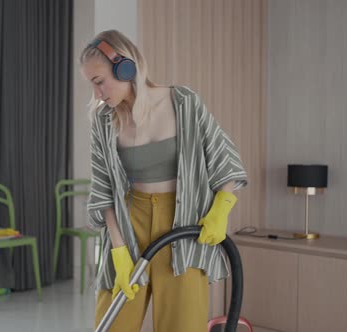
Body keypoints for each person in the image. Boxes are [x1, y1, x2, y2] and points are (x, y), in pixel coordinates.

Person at [80, 30, 248, 332]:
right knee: (113, 324)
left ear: (125, 68)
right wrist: (118, 249)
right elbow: (103, 187)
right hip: (130, 226)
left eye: (99, 82)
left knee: (181, 326)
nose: (97, 95)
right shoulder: (104, 121)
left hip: (183, 228)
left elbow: (225, 158)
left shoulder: (183, 103)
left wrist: (222, 207)